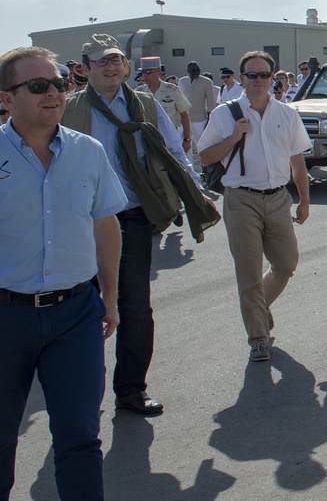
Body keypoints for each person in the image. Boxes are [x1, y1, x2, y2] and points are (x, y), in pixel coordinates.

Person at [62, 35, 220, 416]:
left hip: (131, 215)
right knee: (77, 306)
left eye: (116, 60)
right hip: (81, 220)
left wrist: (193, 189)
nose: (111, 67)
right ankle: (77, 393)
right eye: (101, 62)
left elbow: (171, 148)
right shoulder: (69, 110)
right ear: (84, 68)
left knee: (135, 307)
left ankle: (131, 389)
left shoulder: (145, 104)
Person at [1, 46, 127, 500]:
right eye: (38, 86)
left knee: (80, 438)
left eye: (59, 83)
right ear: (7, 98)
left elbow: (105, 222)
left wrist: (109, 297)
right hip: (7, 315)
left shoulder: (87, 152)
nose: (53, 93)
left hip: (76, 315)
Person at [198, 51, 311, 362]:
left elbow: (297, 161)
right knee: (249, 274)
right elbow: (205, 157)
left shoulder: (287, 115)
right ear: (242, 79)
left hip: (278, 199)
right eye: (252, 75)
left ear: (273, 79)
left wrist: (304, 200)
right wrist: (234, 136)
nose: (258, 81)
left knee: (286, 264)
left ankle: (260, 309)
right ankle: (258, 338)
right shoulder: (225, 114)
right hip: (241, 199)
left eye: (264, 75)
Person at [135, 57, 192, 155]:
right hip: (147, 137)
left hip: (170, 136)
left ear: (158, 72)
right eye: (143, 72)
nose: (144, 75)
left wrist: (187, 139)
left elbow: (184, 114)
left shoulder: (172, 90)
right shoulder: (138, 92)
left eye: (148, 72)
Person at [178, 61, 216, 172]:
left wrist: (209, 120)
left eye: (198, 70)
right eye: (193, 70)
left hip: (200, 120)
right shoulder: (182, 81)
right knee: (185, 146)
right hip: (184, 120)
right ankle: (189, 171)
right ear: (188, 71)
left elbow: (210, 102)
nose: (196, 73)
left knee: (202, 145)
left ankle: (206, 170)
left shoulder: (206, 82)